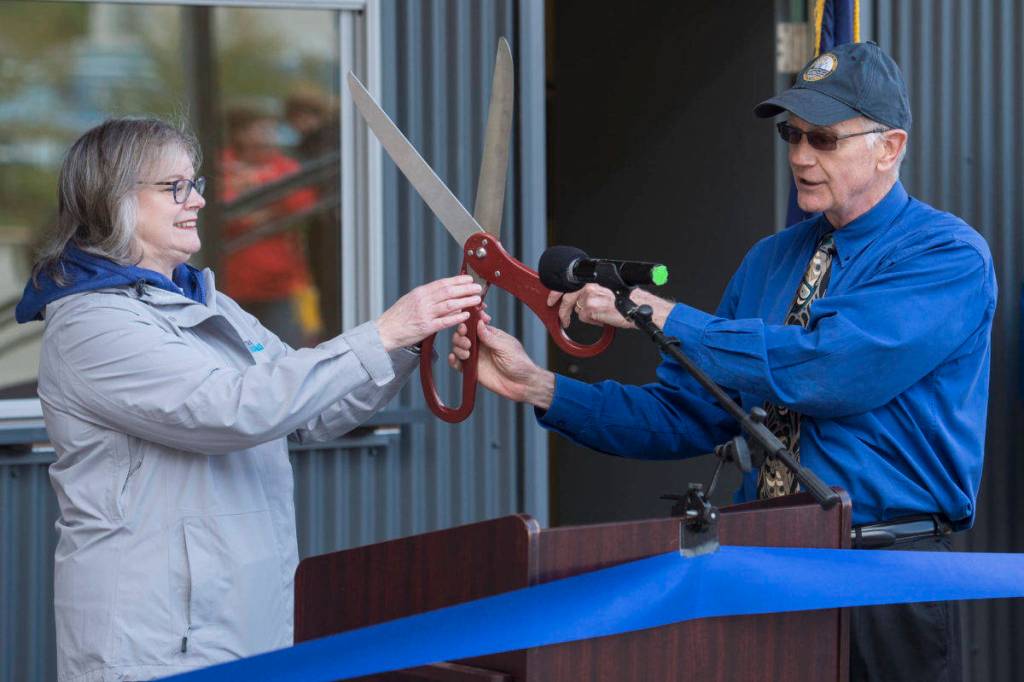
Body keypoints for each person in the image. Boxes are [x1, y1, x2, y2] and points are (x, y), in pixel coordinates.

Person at [450, 42, 995, 682]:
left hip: (882, 578)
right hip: (762, 568)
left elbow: (825, 371)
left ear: (890, 147)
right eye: (792, 135)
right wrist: (539, 387)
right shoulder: (769, 259)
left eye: (822, 139)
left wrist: (656, 315)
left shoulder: (945, 255)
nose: (799, 156)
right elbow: (689, 412)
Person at [14, 117, 482, 681]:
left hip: (244, 619)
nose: (199, 201)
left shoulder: (207, 303)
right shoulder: (94, 323)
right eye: (174, 187)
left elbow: (315, 411)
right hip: (158, 640)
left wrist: (409, 343)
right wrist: (381, 332)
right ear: (114, 200)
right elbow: (232, 410)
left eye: (195, 183)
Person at [221, 106, 321, 347]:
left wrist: (255, 181)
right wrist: (273, 211)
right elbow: (221, 212)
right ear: (241, 134)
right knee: (238, 357)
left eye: (272, 129)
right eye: (262, 129)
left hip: (281, 285)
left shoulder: (283, 165)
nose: (271, 135)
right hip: (232, 287)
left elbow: (304, 203)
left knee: (287, 354)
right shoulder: (220, 166)